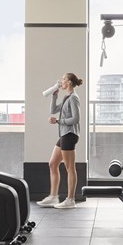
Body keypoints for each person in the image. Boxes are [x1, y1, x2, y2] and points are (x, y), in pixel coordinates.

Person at [39, 72, 84, 209]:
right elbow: (53, 110)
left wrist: (58, 121)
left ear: (69, 82)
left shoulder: (73, 98)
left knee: (70, 168)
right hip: (64, 135)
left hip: (70, 134)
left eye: (64, 79)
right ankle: (53, 197)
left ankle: (70, 200)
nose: (61, 81)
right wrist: (54, 95)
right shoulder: (67, 97)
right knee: (53, 163)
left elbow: (76, 119)